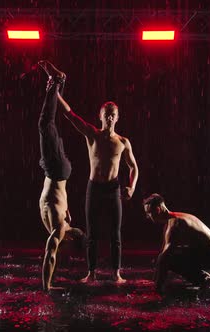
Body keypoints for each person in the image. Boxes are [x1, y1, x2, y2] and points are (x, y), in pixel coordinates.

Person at [55, 76, 139, 283]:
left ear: (118, 118)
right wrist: (56, 95)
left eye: (113, 115)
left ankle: (116, 274)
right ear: (100, 116)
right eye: (107, 115)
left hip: (113, 189)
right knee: (92, 233)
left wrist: (131, 187)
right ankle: (91, 273)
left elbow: (134, 167)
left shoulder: (123, 142)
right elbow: (70, 115)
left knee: (114, 233)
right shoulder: (92, 134)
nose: (110, 118)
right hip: (94, 188)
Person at [37, 60, 84, 292]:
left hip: (56, 171)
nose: (62, 251)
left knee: (50, 122)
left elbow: (62, 206)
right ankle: (57, 81)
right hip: (56, 170)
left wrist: (66, 209)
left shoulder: (63, 222)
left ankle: (57, 83)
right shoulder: (60, 230)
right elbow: (50, 255)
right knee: (45, 124)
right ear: (71, 239)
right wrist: (47, 287)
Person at [142, 193, 210, 293]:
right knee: (163, 258)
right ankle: (202, 277)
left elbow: (166, 255)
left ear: (158, 209)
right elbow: (162, 252)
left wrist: (157, 288)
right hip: (207, 251)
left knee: (169, 258)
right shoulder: (171, 220)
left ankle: (202, 279)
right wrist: (154, 279)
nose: (148, 216)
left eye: (149, 213)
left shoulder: (175, 222)